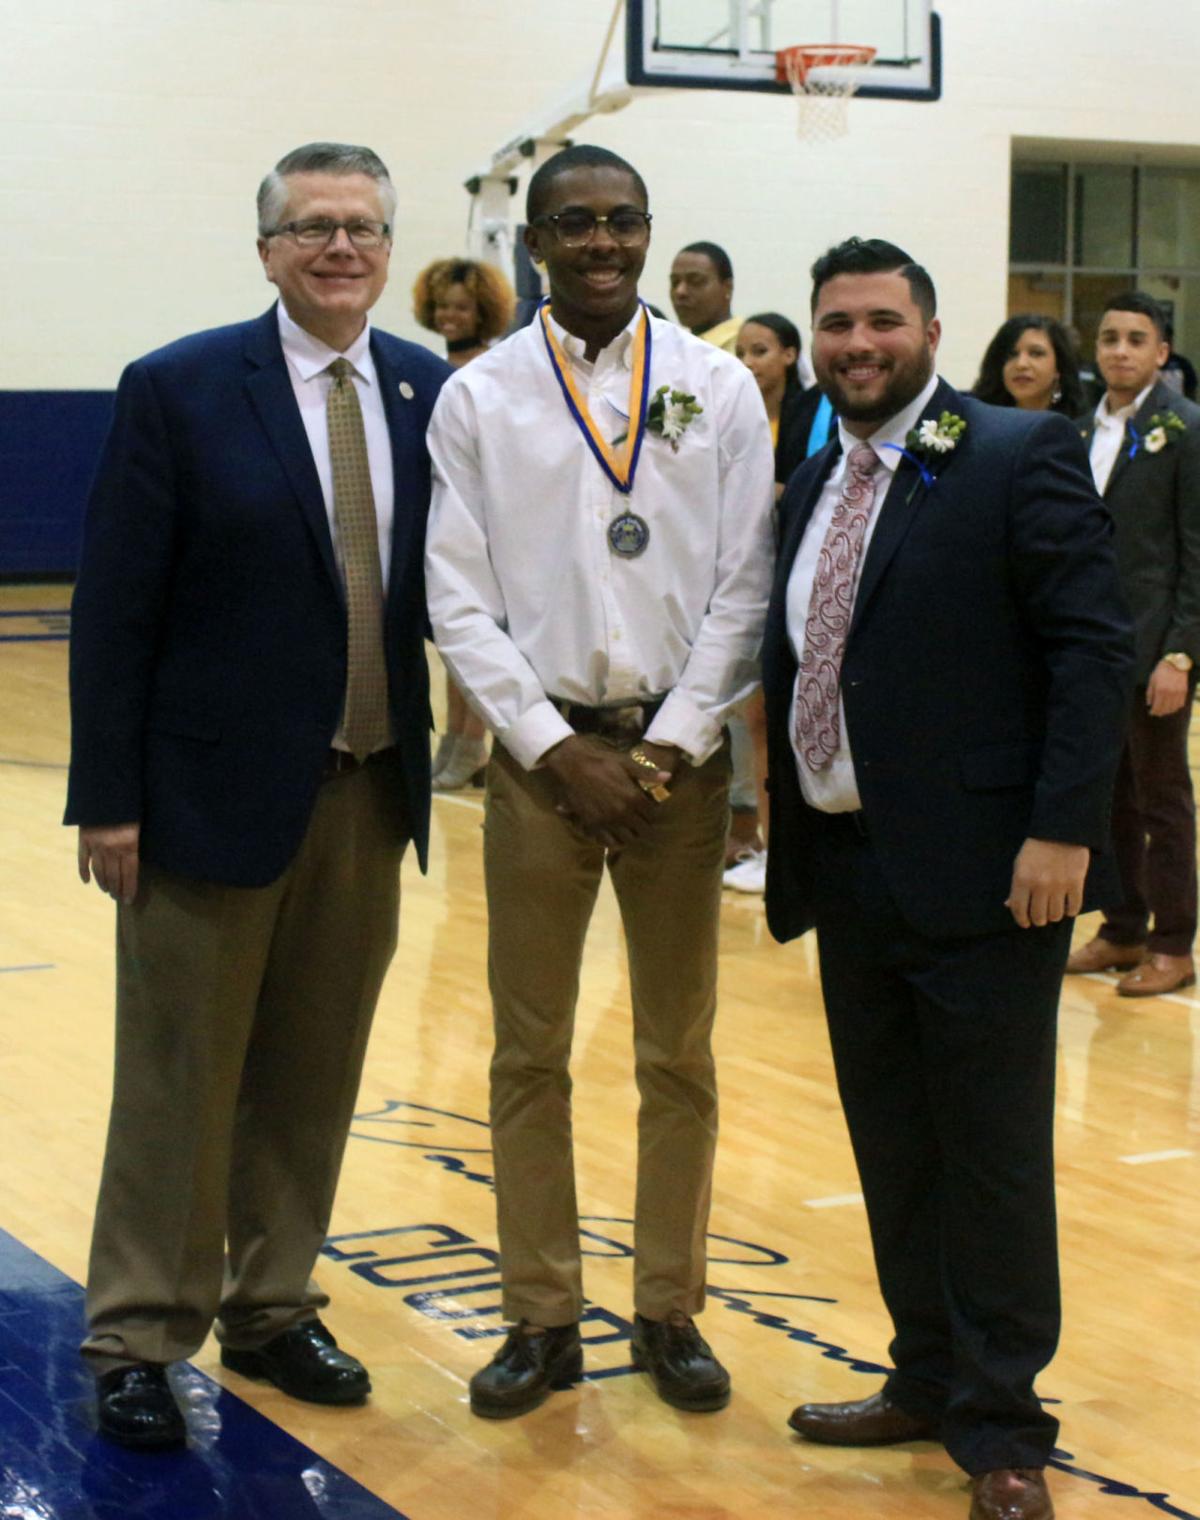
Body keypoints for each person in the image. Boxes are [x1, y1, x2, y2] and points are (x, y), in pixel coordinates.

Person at [65, 141, 449, 1449]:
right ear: (268, 250)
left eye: (363, 227)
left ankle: (273, 1305)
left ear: (390, 246)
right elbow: (116, 607)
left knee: (312, 1075)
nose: (341, 247)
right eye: (313, 227)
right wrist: (109, 798)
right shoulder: (177, 387)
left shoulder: (428, 390)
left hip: (369, 790)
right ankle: (138, 1331)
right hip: (203, 798)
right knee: (179, 1081)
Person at [762, 237, 1132, 1520]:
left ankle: (1006, 1423)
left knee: (990, 1156)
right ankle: (924, 1373)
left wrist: (1063, 829)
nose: (857, 344)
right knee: (895, 1143)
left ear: (928, 328)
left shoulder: (1016, 451)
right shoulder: (814, 479)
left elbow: (1092, 648)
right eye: (836, 324)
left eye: (882, 320)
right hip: (851, 866)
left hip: (989, 874)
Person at [426, 144, 774, 1420]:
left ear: (647, 231)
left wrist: (672, 742)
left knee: (677, 1049)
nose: (602, 243)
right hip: (543, 767)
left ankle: (669, 1306)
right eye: (574, 223)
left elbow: (746, 581)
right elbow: (454, 593)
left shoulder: (717, 386)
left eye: (623, 221)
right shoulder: (480, 395)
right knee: (529, 1050)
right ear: (535, 241)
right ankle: (542, 1315)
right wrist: (549, 744)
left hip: (679, 765)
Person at [1065, 291, 1200, 996]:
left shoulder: (1185, 428)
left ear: (1161, 352)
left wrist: (1181, 654)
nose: (1120, 350)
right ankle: (1122, 927)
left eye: (1135, 339)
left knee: (1161, 799)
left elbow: (1196, 551)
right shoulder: (1078, 429)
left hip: (1155, 653)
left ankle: (1174, 942)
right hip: (1093, 648)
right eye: (1109, 337)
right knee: (1107, 795)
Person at [412, 257, 517, 790]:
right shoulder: (431, 366)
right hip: (438, 515)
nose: (449, 316)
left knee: (475, 639)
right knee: (447, 643)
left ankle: (473, 743)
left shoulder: (492, 371)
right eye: (442, 307)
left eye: (461, 307)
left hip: (483, 521)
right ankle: (455, 741)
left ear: (484, 312)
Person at [723, 311, 809, 895]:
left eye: (761, 351)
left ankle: (788, 855)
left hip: (799, 577)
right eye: (743, 352)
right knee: (755, 720)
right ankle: (766, 846)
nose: (750, 363)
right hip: (751, 578)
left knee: (778, 724)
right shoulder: (733, 412)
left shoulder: (814, 413)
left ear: (790, 355)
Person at [972, 313, 1084, 415]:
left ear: (1059, 367)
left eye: (1036, 353)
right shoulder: (976, 420)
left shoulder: (1082, 425)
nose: (1021, 364)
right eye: (1011, 354)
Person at [669, 240, 743, 353]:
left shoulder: (748, 346)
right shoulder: (672, 348)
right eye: (675, 282)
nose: (680, 291)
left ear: (728, 287)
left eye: (695, 281)